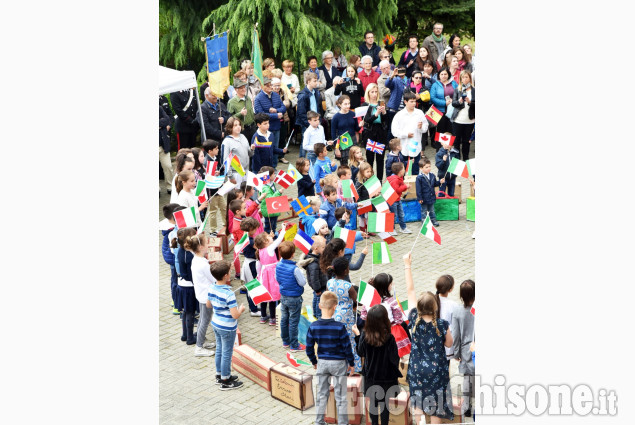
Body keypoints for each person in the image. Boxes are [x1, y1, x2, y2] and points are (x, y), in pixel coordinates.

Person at [403, 253, 454, 424]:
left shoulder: (413, 319)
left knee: (418, 403)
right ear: (435, 306)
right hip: (437, 371)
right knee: (436, 407)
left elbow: (410, 290)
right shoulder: (441, 324)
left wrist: (407, 265)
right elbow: (449, 343)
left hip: (417, 369)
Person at [305, 290, 355, 425]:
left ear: (320, 306)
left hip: (322, 362)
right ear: (335, 307)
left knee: (322, 395)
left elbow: (309, 348)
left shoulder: (313, 326)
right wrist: (351, 362)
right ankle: (343, 423)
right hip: (339, 363)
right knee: (341, 397)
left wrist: (314, 361)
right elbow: (347, 347)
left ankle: (319, 422)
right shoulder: (340, 327)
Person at [356, 304, 402, 425]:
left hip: (371, 378)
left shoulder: (365, 336)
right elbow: (394, 359)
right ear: (385, 320)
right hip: (387, 378)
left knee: (373, 404)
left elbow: (360, 352)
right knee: (385, 405)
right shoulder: (390, 338)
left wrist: (358, 335)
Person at [208, 260, 245, 390]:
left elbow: (208, 304)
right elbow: (235, 315)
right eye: (230, 271)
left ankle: (219, 375)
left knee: (219, 349)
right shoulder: (229, 294)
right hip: (227, 327)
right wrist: (241, 309)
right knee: (227, 353)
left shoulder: (212, 286)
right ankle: (225, 380)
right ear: (225, 276)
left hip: (216, 323)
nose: (231, 273)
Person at [326, 257, 361, 372]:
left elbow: (327, 296)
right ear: (346, 270)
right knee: (349, 341)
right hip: (346, 317)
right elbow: (358, 301)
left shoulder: (329, 282)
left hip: (332, 315)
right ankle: (352, 367)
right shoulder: (348, 286)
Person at [186, 233, 217, 357]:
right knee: (205, 320)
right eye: (206, 242)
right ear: (200, 247)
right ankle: (199, 347)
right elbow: (214, 278)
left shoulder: (197, 258)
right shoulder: (202, 264)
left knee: (203, 319)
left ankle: (202, 341)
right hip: (206, 296)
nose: (208, 244)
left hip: (201, 293)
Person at [276, 241, 308, 351]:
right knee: (293, 321)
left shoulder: (279, 264)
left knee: (284, 319)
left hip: (283, 295)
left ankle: (285, 341)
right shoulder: (295, 269)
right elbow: (302, 282)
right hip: (294, 297)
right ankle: (294, 345)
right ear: (293, 254)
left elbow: (278, 278)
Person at [451, 279, 475, 417]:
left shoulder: (458, 311)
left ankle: (466, 407)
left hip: (466, 351)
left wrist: (456, 353)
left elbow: (456, 335)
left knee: (467, 380)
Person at [255, 228, 287, 325]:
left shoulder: (260, 250)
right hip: (272, 276)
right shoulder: (270, 248)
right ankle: (273, 318)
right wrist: (283, 229)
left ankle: (263, 316)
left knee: (264, 296)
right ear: (265, 241)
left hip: (264, 275)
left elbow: (258, 265)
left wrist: (258, 275)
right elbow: (279, 240)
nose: (270, 236)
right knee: (273, 296)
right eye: (268, 236)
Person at [391, 91, 428, 175]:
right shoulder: (399, 115)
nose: (414, 103)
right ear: (405, 102)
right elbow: (394, 131)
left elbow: (425, 127)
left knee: (415, 171)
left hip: (416, 147)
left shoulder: (419, 113)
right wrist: (405, 134)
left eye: (415, 101)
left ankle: (415, 187)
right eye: (411, 101)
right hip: (404, 147)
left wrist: (420, 127)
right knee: (403, 171)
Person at [174, 227, 199, 345]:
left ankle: (185, 335)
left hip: (182, 285)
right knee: (190, 312)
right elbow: (189, 274)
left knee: (185, 312)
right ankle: (190, 338)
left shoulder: (181, 250)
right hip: (188, 287)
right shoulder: (188, 256)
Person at [254, 77, 287, 166]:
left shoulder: (276, 95)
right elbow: (260, 114)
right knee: (266, 150)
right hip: (265, 129)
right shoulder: (258, 98)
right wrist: (275, 115)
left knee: (275, 148)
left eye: (270, 84)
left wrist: (276, 110)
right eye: (267, 85)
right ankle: (266, 168)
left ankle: (274, 167)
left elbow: (283, 107)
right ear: (262, 86)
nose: (270, 87)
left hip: (276, 127)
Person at [360, 83, 388, 181]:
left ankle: (379, 180)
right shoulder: (365, 105)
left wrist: (384, 113)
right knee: (370, 158)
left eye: (376, 92)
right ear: (368, 93)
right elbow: (367, 120)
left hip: (380, 133)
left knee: (380, 159)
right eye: (372, 92)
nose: (374, 94)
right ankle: (370, 180)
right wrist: (376, 114)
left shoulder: (381, 103)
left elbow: (385, 120)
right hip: (370, 133)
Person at [238, 217, 263, 316]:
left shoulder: (245, 237)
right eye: (256, 228)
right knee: (252, 286)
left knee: (252, 285)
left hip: (250, 263)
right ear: (251, 229)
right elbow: (260, 248)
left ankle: (254, 306)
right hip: (250, 264)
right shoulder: (250, 241)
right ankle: (253, 310)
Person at [296, 73, 324, 158]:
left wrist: (319, 120)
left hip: (316, 120)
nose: (317, 83)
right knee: (305, 142)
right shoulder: (303, 95)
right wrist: (308, 124)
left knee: (316, 140)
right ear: (308, 82)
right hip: (307, 122)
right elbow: (301, 112)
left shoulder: (316, 92)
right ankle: (302, 161)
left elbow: (319, 107)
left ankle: (315, 158)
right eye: (314, 81)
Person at [451, 70, 475, 161]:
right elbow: (453, 103)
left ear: (470, 78)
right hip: (458, 120)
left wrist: (469, 102)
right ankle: (456, 160)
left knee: (466, 141)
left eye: (466, 77)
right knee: (456, 141)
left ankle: (466, 159)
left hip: (469, 120)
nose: (464, 79)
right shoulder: (458, 89)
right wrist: (459, 101)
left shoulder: (474, 90)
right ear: (460, 79)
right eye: (463, 77)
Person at [222, 117, 253, 185]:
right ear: (230, 127)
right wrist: (231, 176)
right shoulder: (227, 141)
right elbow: (226, 161)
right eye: (235, 125)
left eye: (239, 125)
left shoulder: (243, 137)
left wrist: (252, 149)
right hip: (236, 173)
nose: (238, 127)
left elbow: (250, 154)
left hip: (246, 171)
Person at [303, 235, 328, 319]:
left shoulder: (317, 257)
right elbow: (314, 278)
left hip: (319, 286)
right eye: (323, 247)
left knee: (315, 299)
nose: (325, 249)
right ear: (316, 249)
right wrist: (317, 289)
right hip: (319, 287)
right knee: (319, 302)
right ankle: (318, 316)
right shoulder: (314, 264)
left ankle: (314, 314)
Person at [435, 275, 459, 360]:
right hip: (447, 342)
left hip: (433, 342)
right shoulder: (454, 305)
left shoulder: (431, 301)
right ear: (450, 289)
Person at [331, 95, 360, 165]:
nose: (348, 106)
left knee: (355, 163)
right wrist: (336, 148)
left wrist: (360, 125)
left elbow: (356, 129)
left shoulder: (353, 114)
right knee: (344, 164)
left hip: (352, 140)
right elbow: (333, 134)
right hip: (342, 141)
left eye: (349, 103)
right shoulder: (336, 117)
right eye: (345, 104)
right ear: (340, 105)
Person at [387, 162, 412, 235]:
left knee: (401, 214)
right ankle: (391, 229)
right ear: (400, 171)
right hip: (393, 200)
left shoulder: (399, 178)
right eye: (404, 168)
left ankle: (403, 228)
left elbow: (401, 189)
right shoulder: (395, 179)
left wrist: (406, 187)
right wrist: (405, 187)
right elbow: (396, 189)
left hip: (398, 199)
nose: (405, 170)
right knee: (393, 215)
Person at [416, 157, 442, 227]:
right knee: (424, 211)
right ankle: (424, 222)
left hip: (431, 197)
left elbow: (434, 184)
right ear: (421, 168)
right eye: (426, 167)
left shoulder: (432, 175)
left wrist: (439, 182)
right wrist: (419, 198)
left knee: (432, 210)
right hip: (424, 198)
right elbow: (418, 189)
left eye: (429, 166)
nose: (429, 168)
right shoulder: (419, 177)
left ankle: (433, 220)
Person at [159, 105, 174, 194]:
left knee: (168, 166)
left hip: (163, 145)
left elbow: (167, 119)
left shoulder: (159, 108)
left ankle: (170, 186)